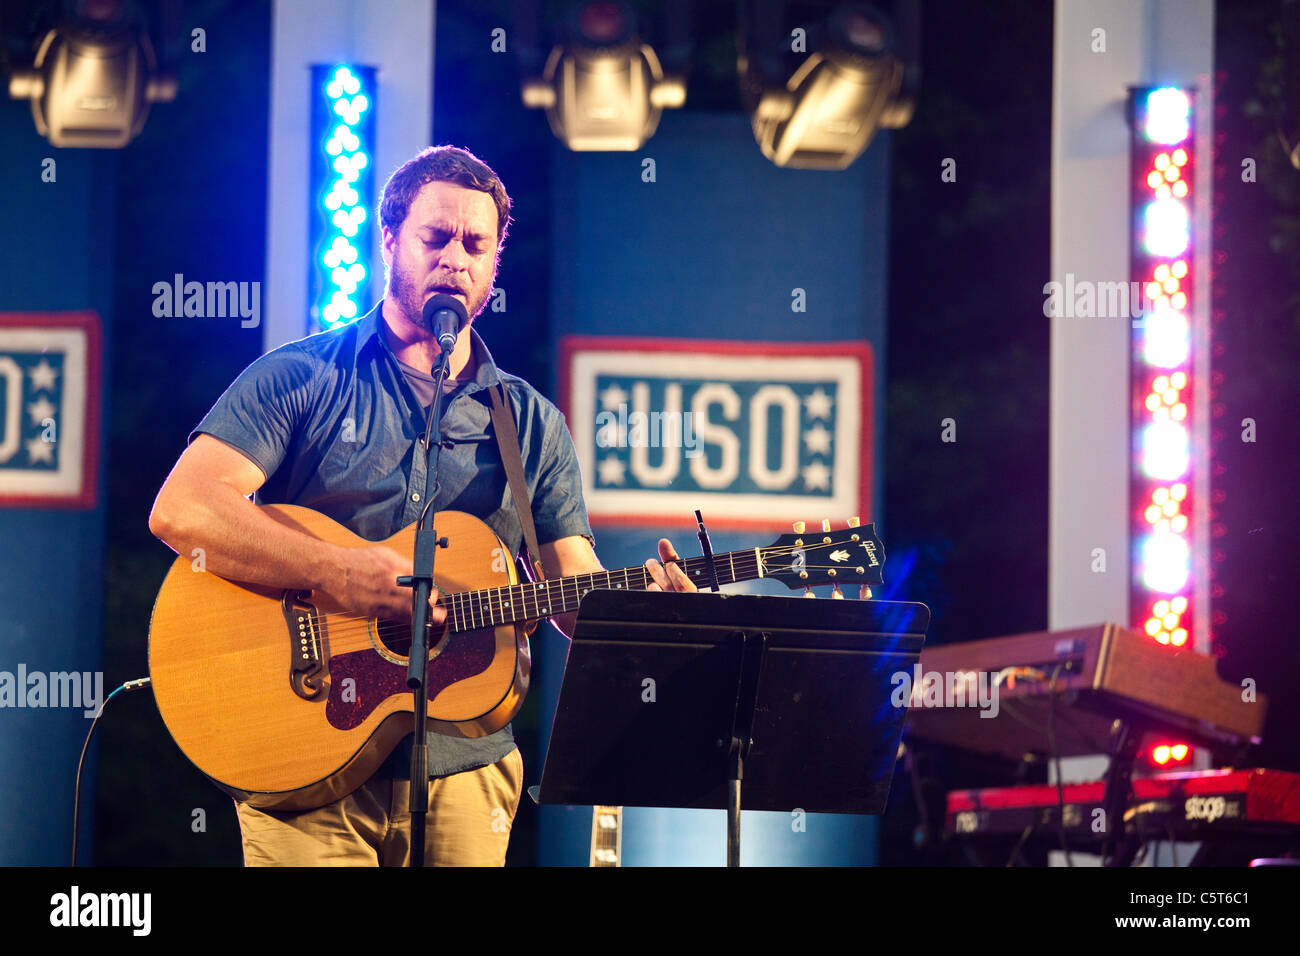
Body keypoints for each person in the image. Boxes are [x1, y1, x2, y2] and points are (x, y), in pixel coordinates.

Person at [148, 145, 696, 866]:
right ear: (388, 242)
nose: (455, 261)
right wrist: (335, 572)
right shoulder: (301, 376)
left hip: (466, 764)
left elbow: (572, 589)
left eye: (476, 244)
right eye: (435, 239)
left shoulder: (530, 422)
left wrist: (646, 612)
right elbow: (183, 509)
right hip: (301, 754)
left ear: (496, 260)